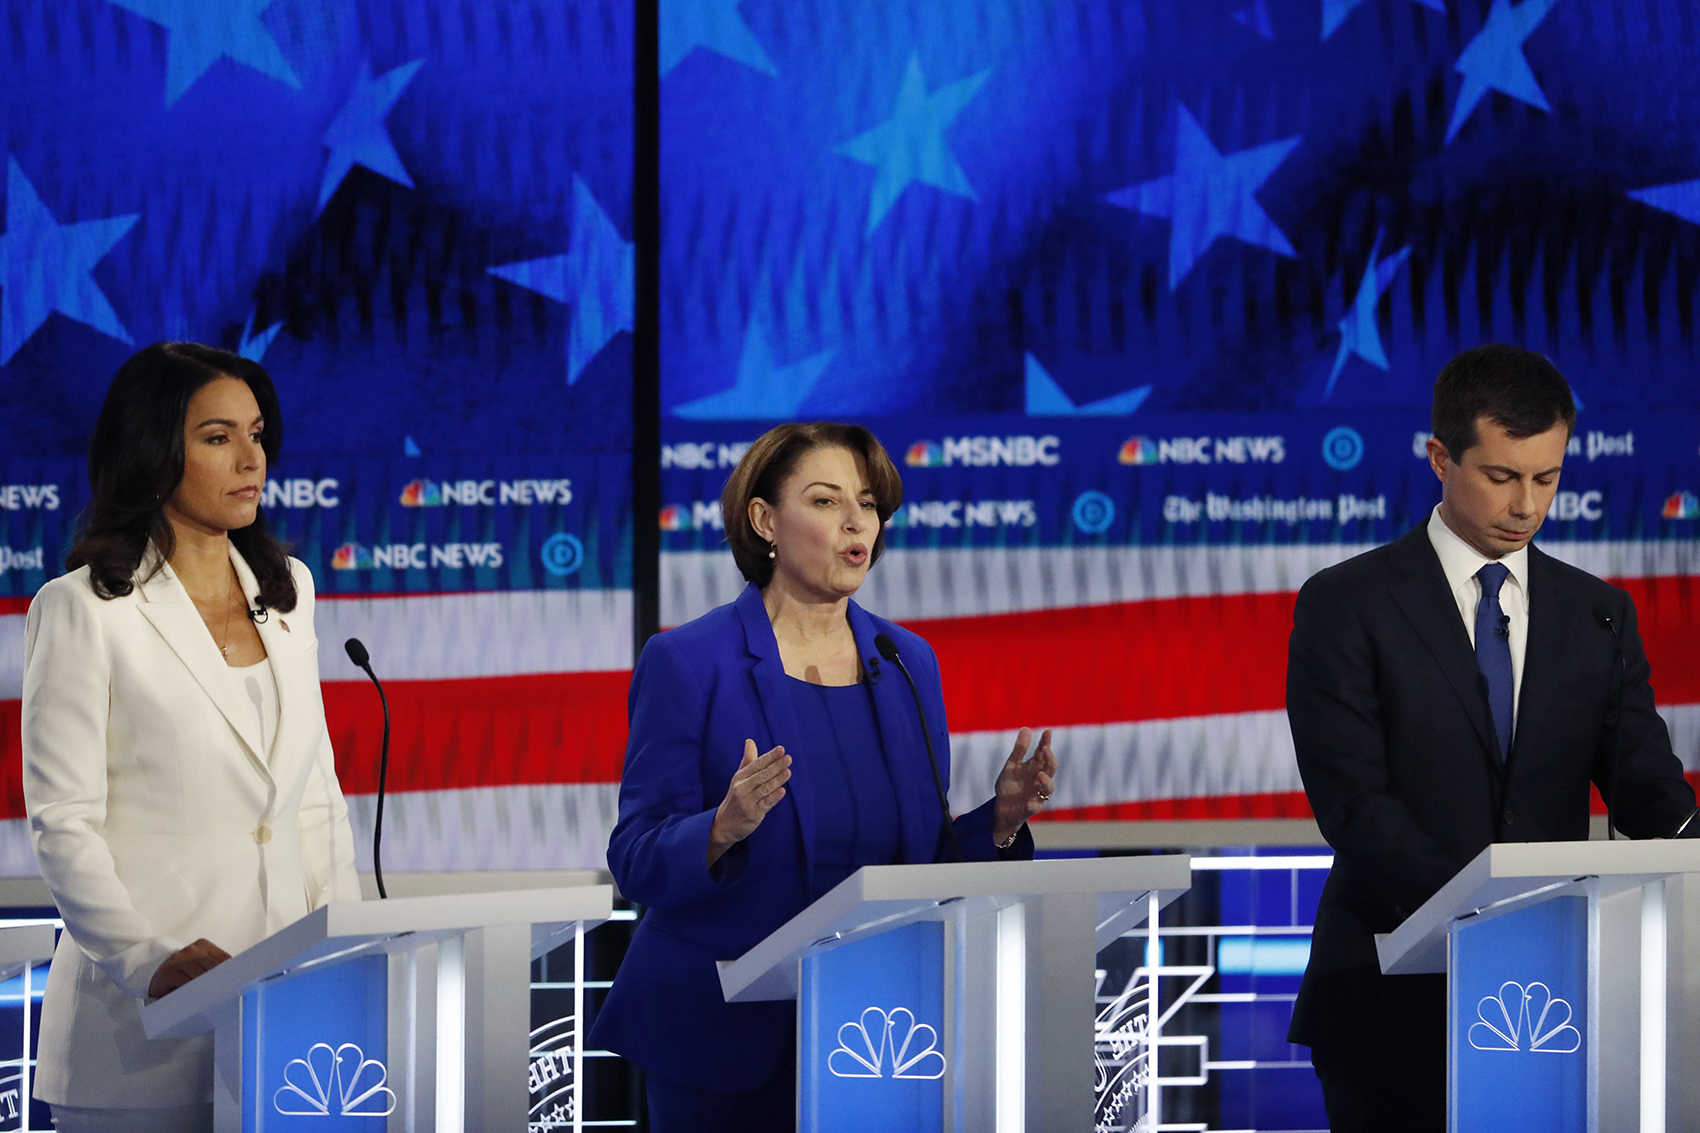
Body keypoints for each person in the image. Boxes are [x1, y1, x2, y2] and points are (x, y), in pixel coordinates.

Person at [590, 422, 1058, 1131]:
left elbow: (919, 863)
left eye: (867, 504)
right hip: (722, 1046)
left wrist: (997, 822)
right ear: (764, 520)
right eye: (826, 500)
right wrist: (720, 827)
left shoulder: (906, 660)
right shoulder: (690, 661)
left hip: (878, 1037)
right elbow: (634, 858)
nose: (854, 522)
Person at [1285, 343, 1698, 1131]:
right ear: (1441, 456)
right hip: (1389, 999)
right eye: (1503, 476)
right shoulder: (1347, 603)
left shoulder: (1596, 615)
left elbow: (1649, 791)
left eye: (1547, 477)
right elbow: (1354, 805)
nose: (1528, 505)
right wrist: (1490, 915)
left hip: (1554, 1005)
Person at [21, 342, 362, 1133]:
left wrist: (347, 960)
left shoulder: (291, 591)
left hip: (292, 1033)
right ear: (153, 451)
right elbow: (63, 821)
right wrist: (147, 961)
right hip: (137, 1036)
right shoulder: (82, 610)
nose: (252, 458)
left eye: (256, 432)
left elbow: (313, 798)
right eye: (217, 437)